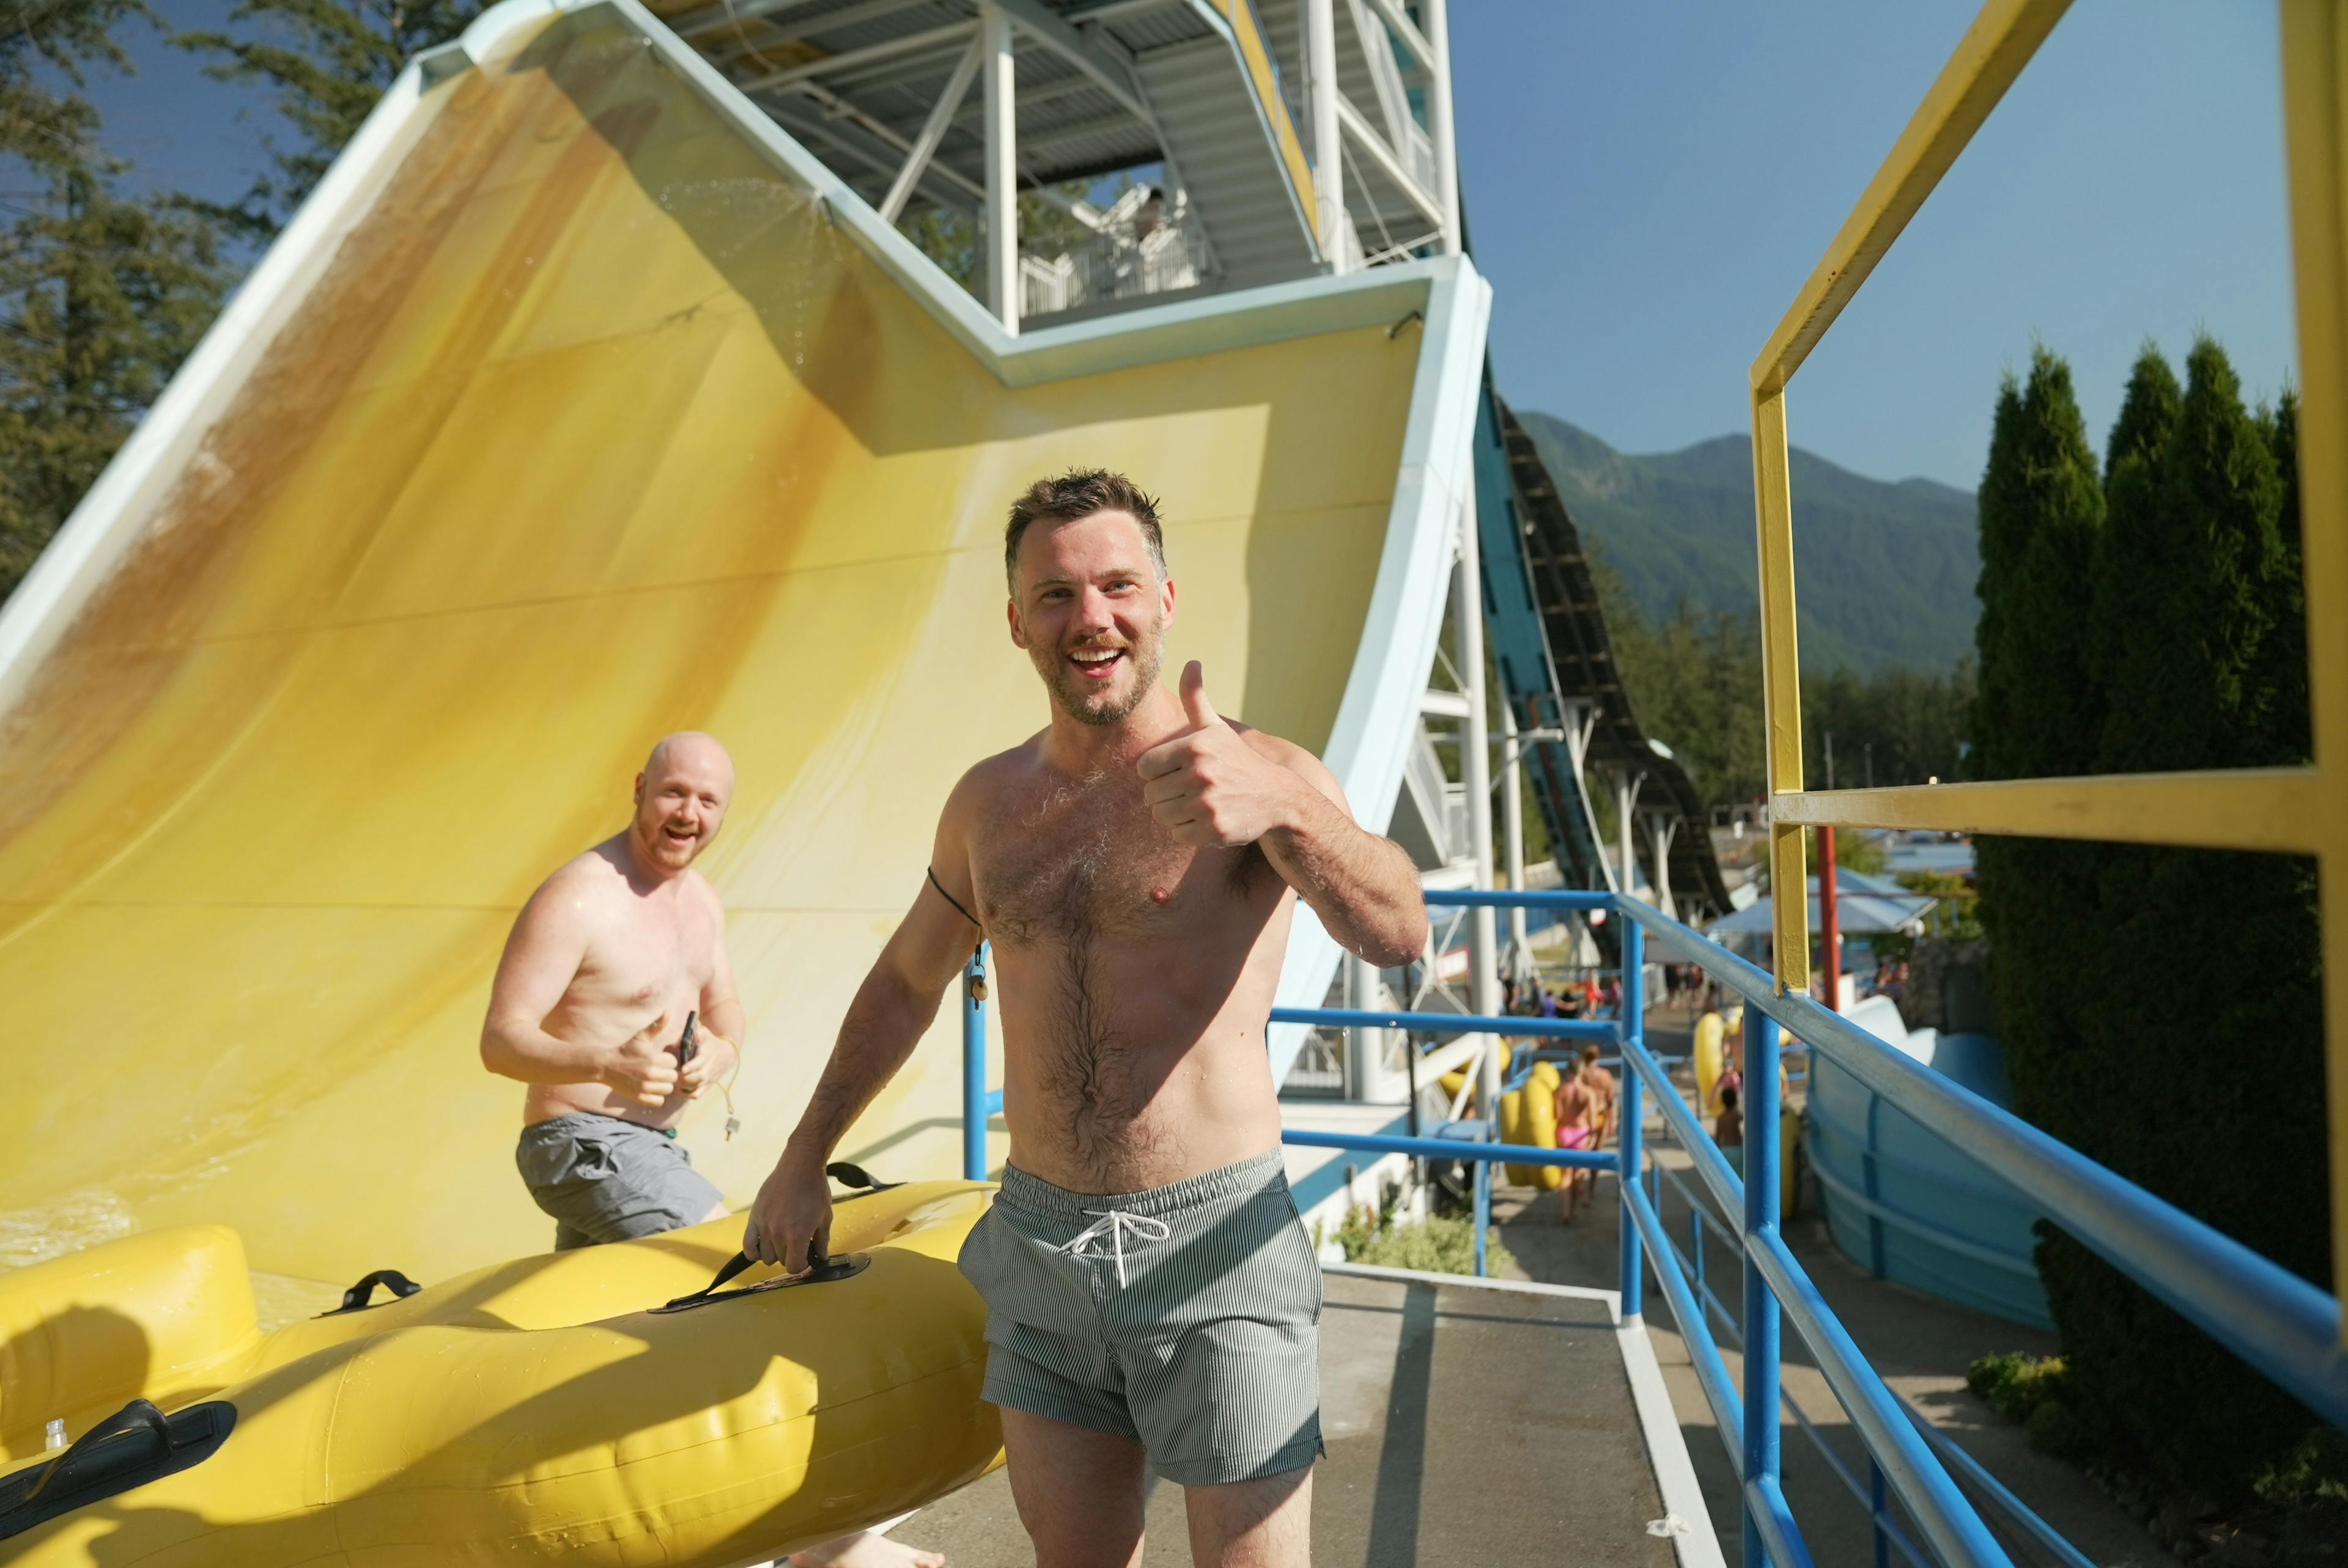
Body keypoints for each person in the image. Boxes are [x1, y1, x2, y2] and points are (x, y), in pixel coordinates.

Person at [743, 471, 1428, 1568]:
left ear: (1165, 598)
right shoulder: (988, 805)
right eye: (1056, 595)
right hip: (1043, 1243)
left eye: (1116, 586)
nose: (1090, 618)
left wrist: (1288, 809)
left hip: (1216, 1246)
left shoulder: (1257, 774)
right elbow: (909, 982)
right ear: (1017, 622)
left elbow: (1401, 932)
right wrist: (803, 1157)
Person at [479, 734, 943, 1568]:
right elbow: (500, 1039)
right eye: (674, 793)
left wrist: (718, 1056)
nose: (687, 814)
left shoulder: (700, 904)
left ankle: (615, 1531)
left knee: (605, 1330)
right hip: (576, 1142)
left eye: (706, 802)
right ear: (640, 788)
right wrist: (606, 1061)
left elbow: (727, 1017)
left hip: (648, 1141)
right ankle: (821, 1542)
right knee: (739, 1269)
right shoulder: (580, 896)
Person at [1551, 1059, 1598, 1221]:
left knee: (1566, 1175)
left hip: (1564, 1132)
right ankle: (1575, 1207)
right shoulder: (1588, 1093)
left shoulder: (1560, 1091)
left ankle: (1565, 1212)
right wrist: (1593, 1137)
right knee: (1579, 1174)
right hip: (1581, 1134)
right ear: (1582, 1071)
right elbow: (1593, 1120)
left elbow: (1558, 1115)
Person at [1716, 1084, 1744, 1177]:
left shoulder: (1720, 1118)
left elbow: (1718, 1136)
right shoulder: (1736, 1116)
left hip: (1726, 1150)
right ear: (1735, 1100)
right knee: (1740, 1178)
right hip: (1737, 1149)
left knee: (1728, 1178)